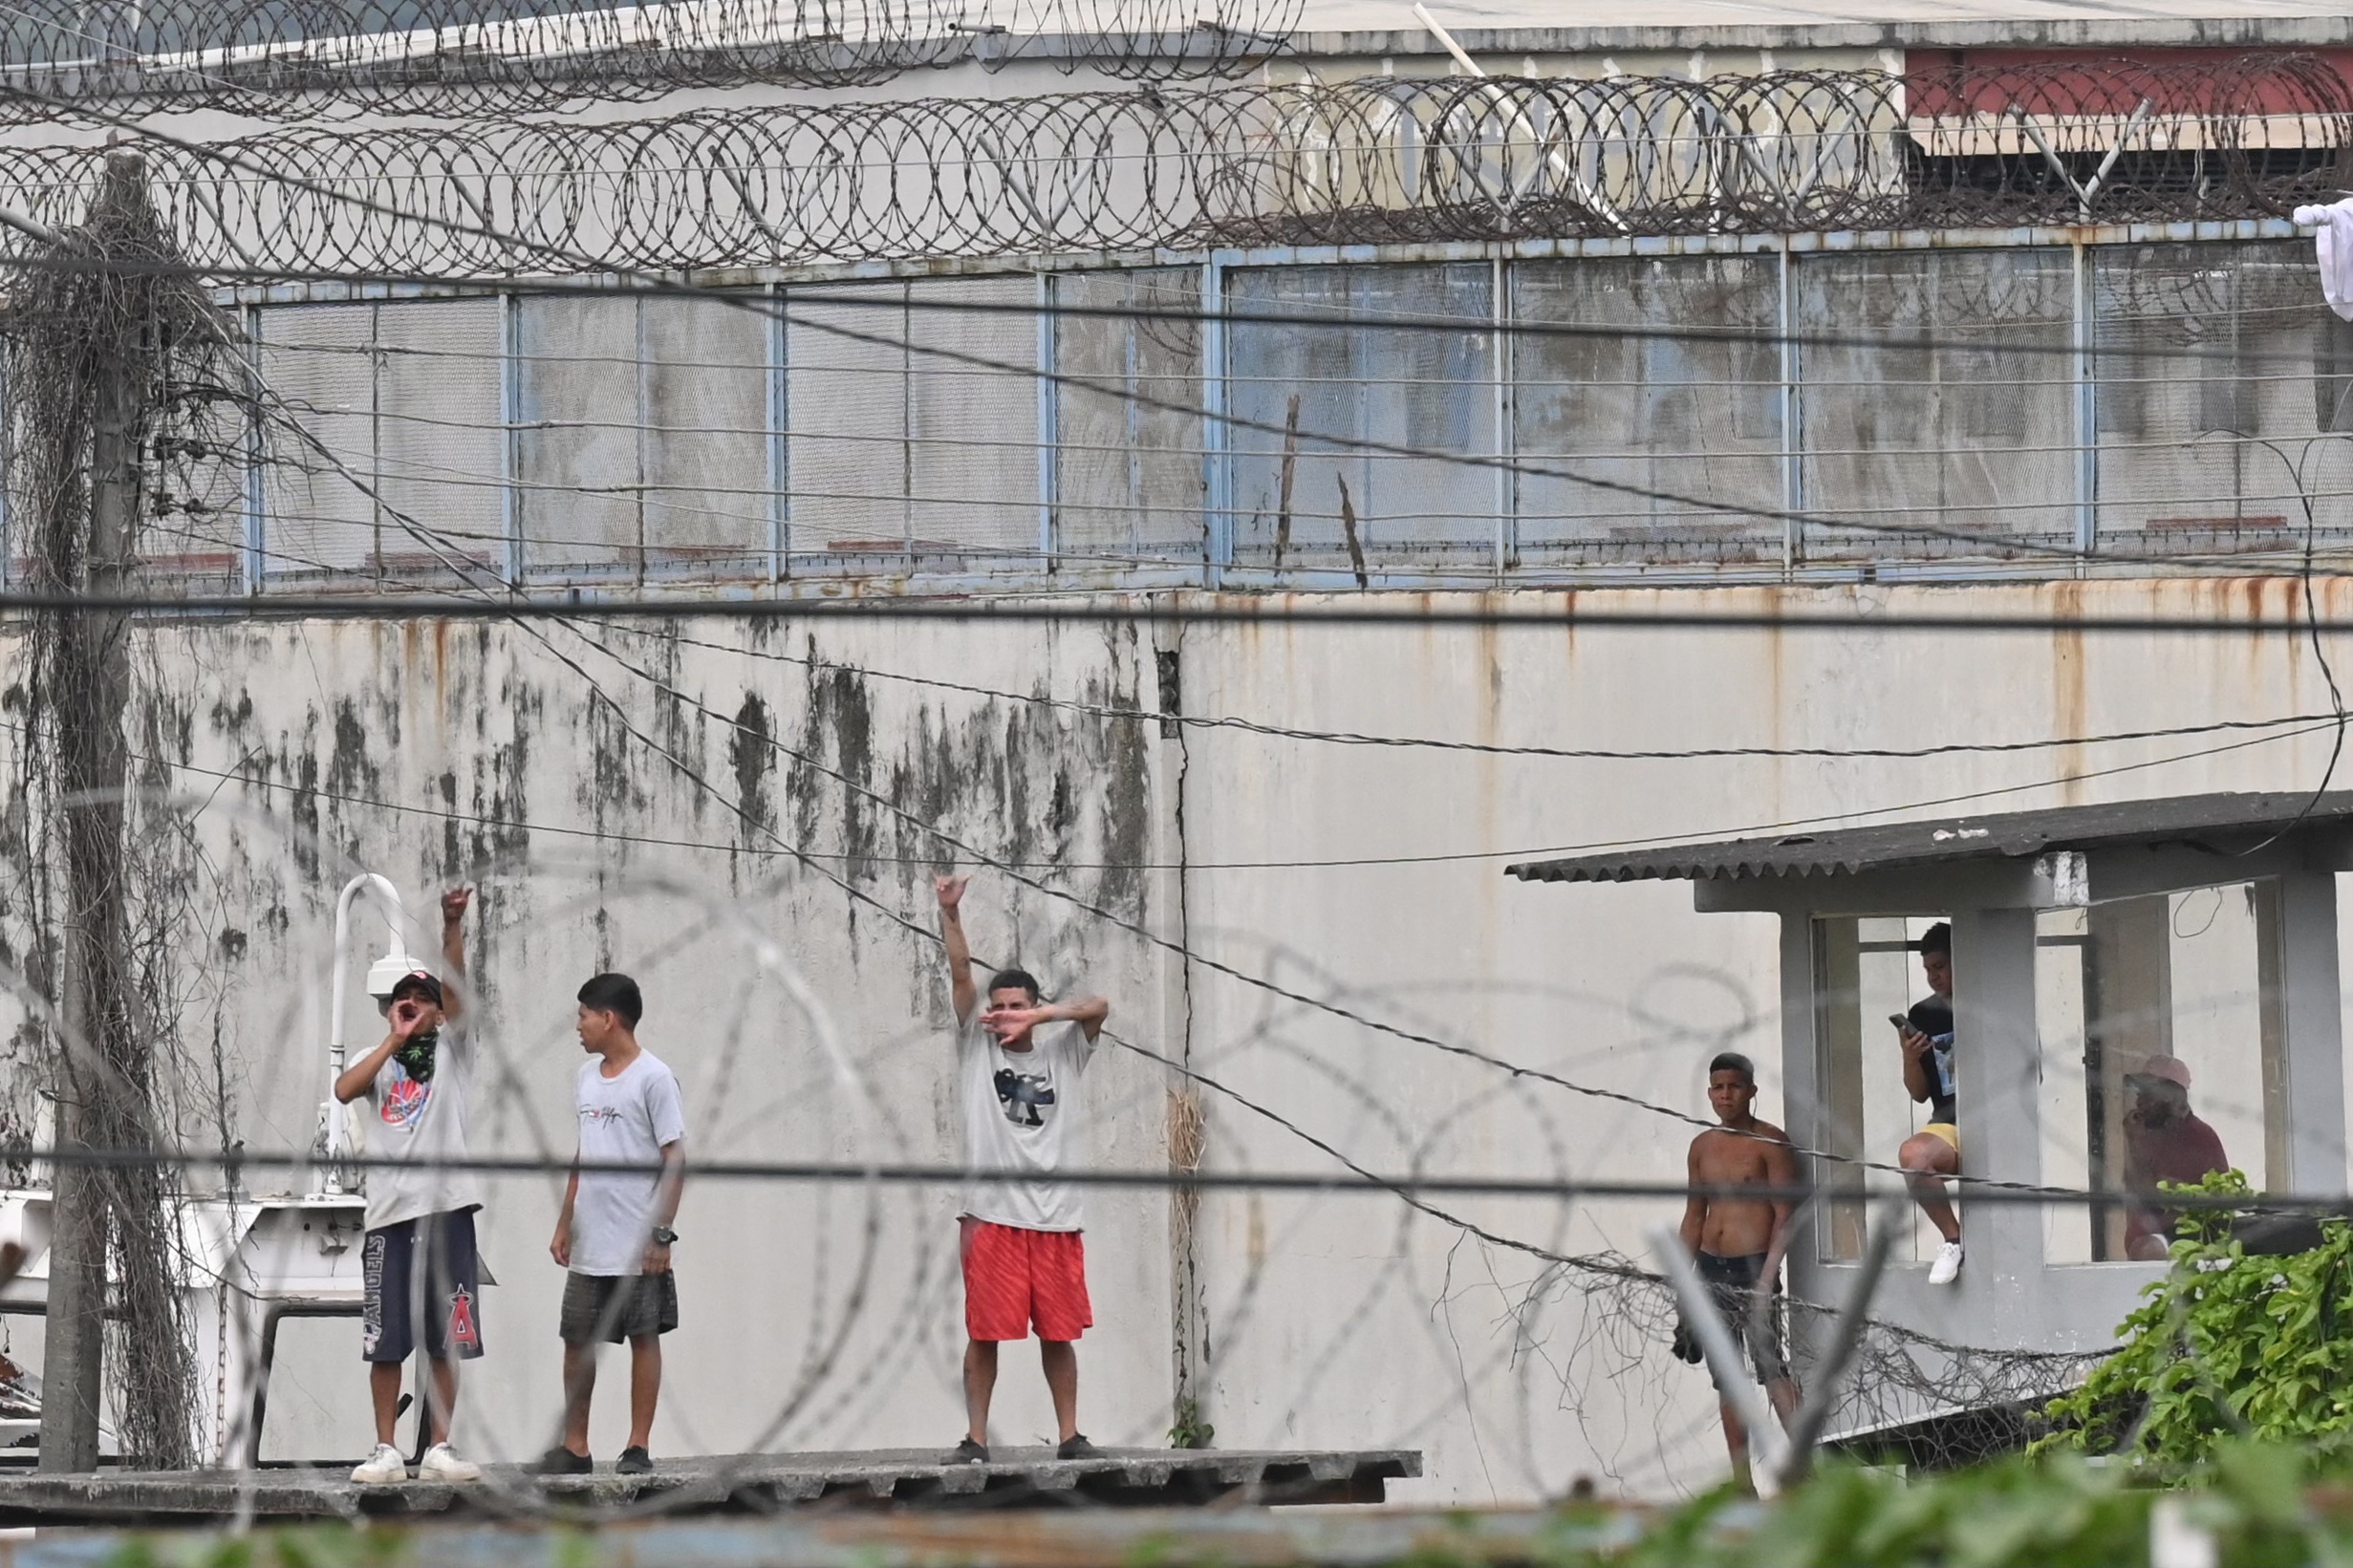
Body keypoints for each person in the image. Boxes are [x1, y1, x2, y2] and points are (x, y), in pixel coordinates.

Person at [935, 873, 1110, 1466]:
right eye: (1000, 1008)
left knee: (1057, 1333)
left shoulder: (1063, 1049)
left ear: (1034, 1009)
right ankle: (975, 1439)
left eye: (1018, 1007)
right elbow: (961, 975)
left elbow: (1098, 1006)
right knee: (985, 1331)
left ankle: (1070, 1436)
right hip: (992, 1215)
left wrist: (1045, 1018)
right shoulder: (975, 1048)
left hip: (1057, 1218)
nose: (1007, 1016)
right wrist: (950, 914)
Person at [333, 887, 486, 1485]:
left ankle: (442, 1446)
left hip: (446, 1210)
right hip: (389, 1216)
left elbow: (457, 982)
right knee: (385, 1339)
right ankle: (385, 1448)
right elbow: (345, 1091)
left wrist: (452, 924)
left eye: (424, 999)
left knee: (448, 1333)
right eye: (404, 1000)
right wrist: (394, 1039)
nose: (415, 1006)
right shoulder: (385, 1056)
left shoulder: (454, 1050)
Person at [537, 973, 687, 1476]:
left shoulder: (654, 1077)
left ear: (609, 1018)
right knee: (576, 1339)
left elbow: (675, 1157)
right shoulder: (585, 1077)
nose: (577, 1026)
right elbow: (583, 1153)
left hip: (638, 1241)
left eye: (583, 1016)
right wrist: (565, 1220)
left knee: (644, 1336)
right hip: (590, 1238)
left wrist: (660, 1233)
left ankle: (637, 1445)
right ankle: (575, 1447)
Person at [1674, 1052, 1801, 1487]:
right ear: (1710, 1093)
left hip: (1754, 1269)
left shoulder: (1771, 1143)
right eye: (1718, 1088)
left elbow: (1786, 1215)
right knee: (1729, 1377)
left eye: (1734, 1087)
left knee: (1772, 1369)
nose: (1725, 1095)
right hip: (1711, 1267)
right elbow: (1694, 1216)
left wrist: (1768, 1277)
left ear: (1751, 1090)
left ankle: (1805, 1471)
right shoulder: (1702, 1147)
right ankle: (1742, 1482)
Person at [1895, 922, 1966, 1286]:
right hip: (1949, 1120)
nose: (1933, 976)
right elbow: (1919, 1092)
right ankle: (1953, 1239)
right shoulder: (1924, 1014)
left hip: (1998, 1116)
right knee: (1913, 1157)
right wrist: (1910, 1057)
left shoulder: (1993, 1000)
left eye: (1940, 967)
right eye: (1927, 970)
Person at [2120, 1055, 2228, 1261]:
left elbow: (2155, 1194)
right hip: (2147, 1250)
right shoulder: (2152, 1134)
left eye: (2147, 1094)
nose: (2139, 1102)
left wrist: (2135, 1144)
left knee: (2149, 1249)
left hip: (2182, 1248)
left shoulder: (2197, 1137)